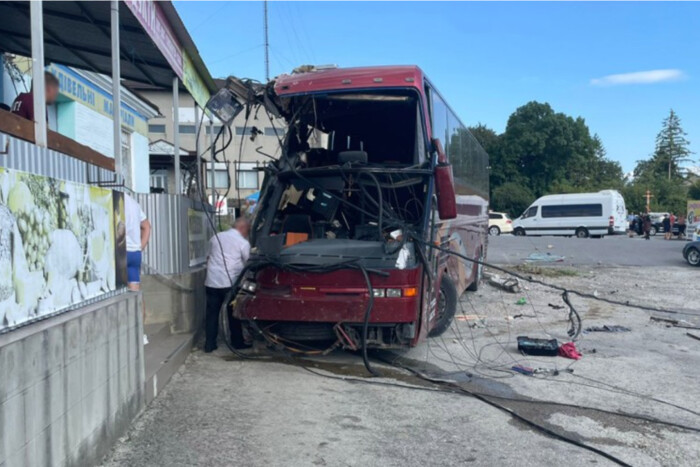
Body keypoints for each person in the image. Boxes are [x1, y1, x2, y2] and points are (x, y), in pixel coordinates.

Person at [204, 217, 251, 353]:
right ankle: (237, 342)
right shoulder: (243, 243)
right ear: (243, 228)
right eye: (247, 230)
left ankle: (209, 344)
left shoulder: (216, 237)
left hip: (212, 281)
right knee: (233, 314)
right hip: (231, 282)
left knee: (212, 314)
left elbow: (208, 257)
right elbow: (248, 262)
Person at [125, 193, 151, 343]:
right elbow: (147, 226)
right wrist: (140, 246)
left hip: (120, 252)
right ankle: (140, 334)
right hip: (134, 252)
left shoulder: (111, 197)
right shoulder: (133, 203)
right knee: (136, 293)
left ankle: (125, 333)